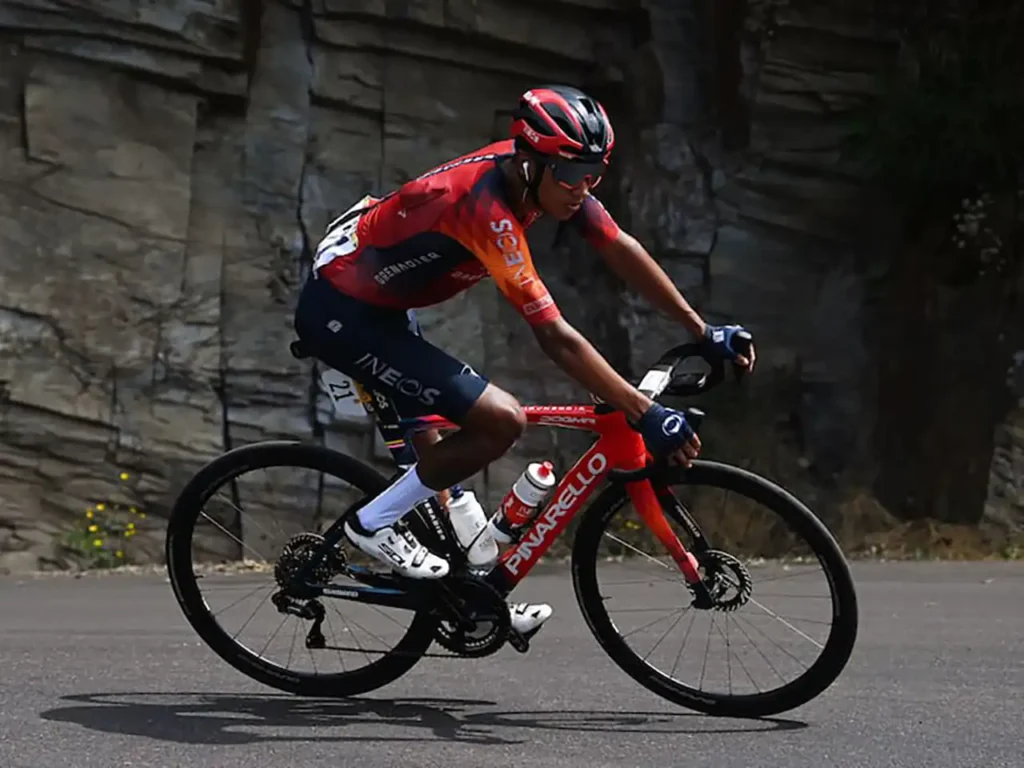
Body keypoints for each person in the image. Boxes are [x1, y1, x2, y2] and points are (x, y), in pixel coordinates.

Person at [293, 84, 755, 638]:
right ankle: (371, 525)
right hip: (342, 311)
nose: (582, 188)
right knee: (499, 420)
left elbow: (618, 246)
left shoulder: (544, 180)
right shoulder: (485, 211)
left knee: (441, 464)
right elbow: (555, 337)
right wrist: (641, 411)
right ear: (531, 161)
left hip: (381, 299)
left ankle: (473, 596)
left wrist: (702, 330)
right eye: (571, 175)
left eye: (595, 173)